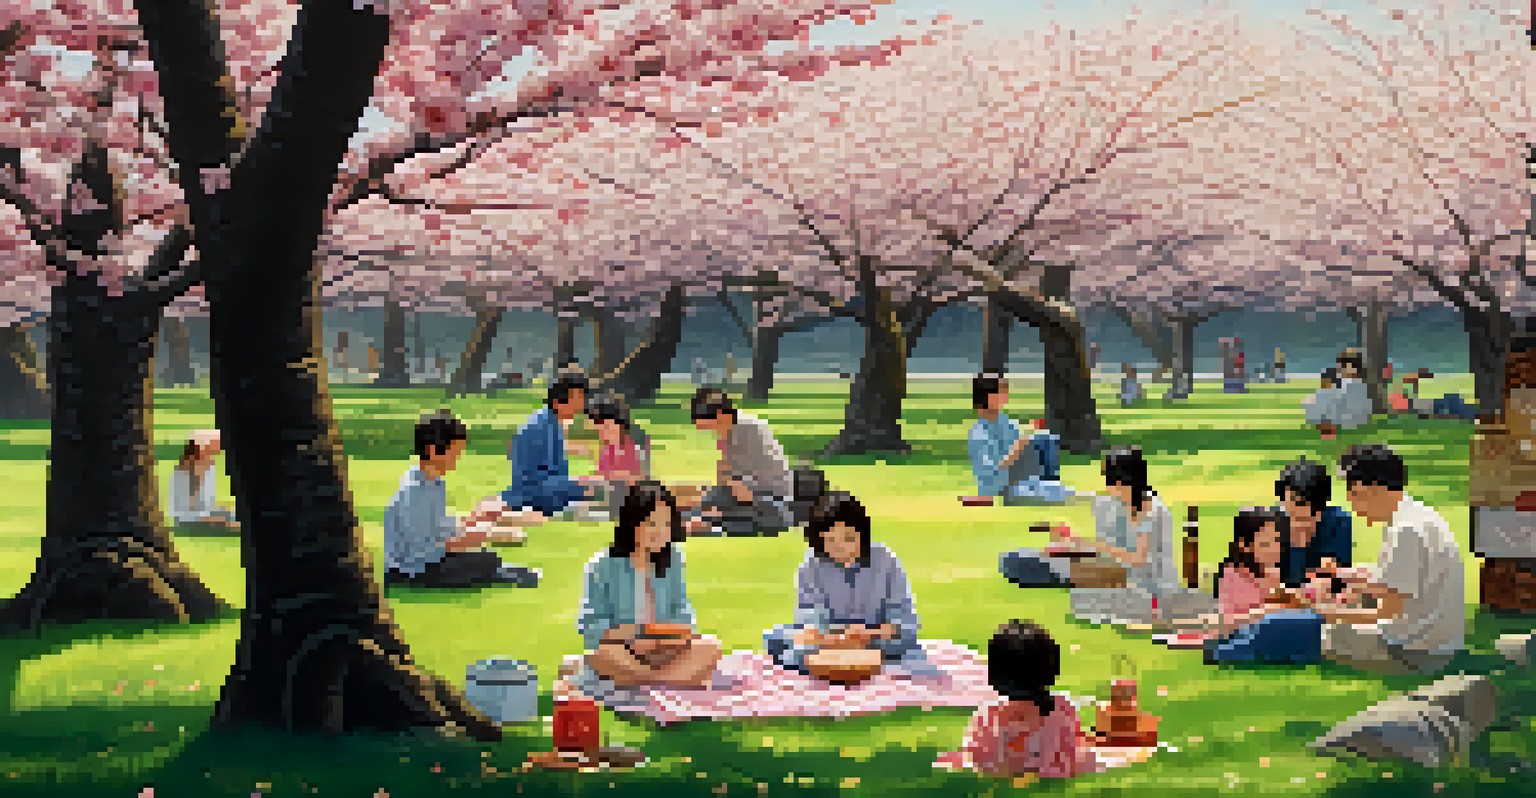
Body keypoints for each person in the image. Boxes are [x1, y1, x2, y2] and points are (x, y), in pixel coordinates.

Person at [1315, 444, 1465, 676]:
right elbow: (1402, 580)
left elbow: (1387, 611)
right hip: (1437, 643)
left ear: (1371, 489)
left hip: (1415, 654)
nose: (1352, 505)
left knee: (1319, 633)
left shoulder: (1405, 531)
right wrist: (1347, 575)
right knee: (1348, 607)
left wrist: (1320, 612)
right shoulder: (1418, 514)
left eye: (1353, 494)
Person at [562, 482, 724, 691]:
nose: (661, 532)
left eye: (666, 524)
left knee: (710, 646)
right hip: (622, 649)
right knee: (602, 656)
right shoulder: (602, 565)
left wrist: (665, 640)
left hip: (664, 650)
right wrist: (633, 635)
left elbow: (682, 612)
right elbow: (590, 625)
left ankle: (645, 681)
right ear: (633, 523)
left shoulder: (673, 560)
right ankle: (669, 680)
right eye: (652, 523)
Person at [762, 492, 935, 678]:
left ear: (862, 533)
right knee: (774, 636)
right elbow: (810, 616)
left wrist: (869, 634)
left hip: (875, 639)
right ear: (819, 540)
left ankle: (812, 663)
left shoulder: (886, 561)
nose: (842, 548)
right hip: (829, 641)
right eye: (831, 542)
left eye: (849, 539)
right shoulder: (811, 565)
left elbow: (904, 621)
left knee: (906, 645)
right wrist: (832, 638)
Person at [383, 410, 541, 588]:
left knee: (484, 556)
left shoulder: (431, 482)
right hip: (411, 570)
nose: (457, 458)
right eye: (454, 452)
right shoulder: (415, 490)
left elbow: (439, 525)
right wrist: (482, 535)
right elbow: (428, 549)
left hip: (422, 561)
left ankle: (498, 572)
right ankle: (498, 575)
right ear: (433, 451)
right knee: (484, 559)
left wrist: (475, 521)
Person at [1001, 447, 1176, 599]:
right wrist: (1075, 546)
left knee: (1019, 563)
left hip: (1140, 580)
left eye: (1109, 480)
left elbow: (1138, 560)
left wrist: (1094, 546)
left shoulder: (1151, 509)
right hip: (1119, 570)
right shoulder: (1125, 503)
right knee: (1018, 557)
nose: (1108, 487)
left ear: (1120, 481)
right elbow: (1117, 549)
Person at [937, 620, 1100, 778]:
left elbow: (976, 754)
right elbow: (1071, 748)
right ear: (1052, 668)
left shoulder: (989, 713)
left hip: (1001, 771)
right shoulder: (1063, 707)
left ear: (995, 674)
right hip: (1054, 769)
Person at [1203, 508, 1326, 665]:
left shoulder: (1272, 572)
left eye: (1277, 541)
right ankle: (1224, 653)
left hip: (1270, 628)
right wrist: (1271, 609)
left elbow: (1284, 600)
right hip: (1241, 633)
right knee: (1270, 627)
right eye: (1266, 543)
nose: (1275, 549)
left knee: (1311, 620)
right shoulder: (1232, 574)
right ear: (1245, 546)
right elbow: (1229, 623)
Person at [681, 388, 795, 537]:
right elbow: (726, 479)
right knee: (710, 498)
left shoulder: (750, 429)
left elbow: (748, 486)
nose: (710, 431)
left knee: (723, 509)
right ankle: (696, 521)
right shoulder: (730, 432)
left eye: (709, 426)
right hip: (747, 497)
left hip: (772, 503)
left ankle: (708, 525)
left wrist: (735, 486)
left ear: (721, 416)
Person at [500, 369, 598, 519]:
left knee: (589, 487)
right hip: (533, 491)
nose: (580, 406)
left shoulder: (547, 420)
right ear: (558, 402)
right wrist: (579, 484)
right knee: (595, 489)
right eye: (577, 401)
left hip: (535, 487)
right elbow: (547, 475)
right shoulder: (544, 425)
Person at [968, 373, 1070, 505]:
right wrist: (1019, 446)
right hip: (1007, 489)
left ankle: (1051, 484)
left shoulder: (1007, 423)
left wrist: (1030, 437)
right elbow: (993, 475)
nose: (1005, 397)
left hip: (1030, 481)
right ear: (988, 397)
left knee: (1045, 438)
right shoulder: (980, 433)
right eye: (1001, 392)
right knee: (1067, 496)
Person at [1274, 458, 1353, 588]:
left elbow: (1335, 582)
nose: (1291, 509)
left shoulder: (1339, 523)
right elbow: (1288, 583)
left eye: (1299, 503)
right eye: (1285, 501)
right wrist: (1297, 546)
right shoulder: (1274, 525)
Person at [585, 391, 651, 517]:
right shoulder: (607, 447)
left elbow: (639, 478)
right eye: (597, 428)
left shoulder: (635, 443)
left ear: (619, 423)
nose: (601, 433)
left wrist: (611, 476)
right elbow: (602, 475)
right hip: (610, 496)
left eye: (605, 427)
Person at [167, 429, 239, 530]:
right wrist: (214, 518)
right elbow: (190, 510)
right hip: (187, 518)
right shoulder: (187, 470)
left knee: (233, 513)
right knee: (228, 520)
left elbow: (207, 505)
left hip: (202, 514)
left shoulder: (208, 466)